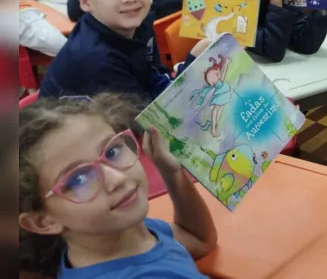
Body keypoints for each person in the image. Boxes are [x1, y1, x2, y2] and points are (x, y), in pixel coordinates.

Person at [19, 93, 217, 278]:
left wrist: (171, 173)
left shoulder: (127, 232)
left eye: (112, 151)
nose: (117, 179)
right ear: (42, 222)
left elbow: (199, 240)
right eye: (78, 179)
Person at [39, 0, 208, 100]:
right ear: (85, 1)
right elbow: (148, 121)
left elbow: (152, 76)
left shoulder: (141, 22)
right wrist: (192, 68)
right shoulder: (98, 60)